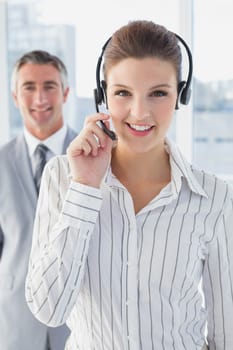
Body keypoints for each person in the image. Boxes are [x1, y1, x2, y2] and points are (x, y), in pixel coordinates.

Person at [25, 21, 233, 350]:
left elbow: (228, 334)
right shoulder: (62, 177)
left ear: (180, 95)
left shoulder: (215, 198)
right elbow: (49, 310)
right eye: (123, 92)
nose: (140, 112)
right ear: (102, 95)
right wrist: (85, 188)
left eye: (158, 93)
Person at [0, 50, 77, 350]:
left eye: (49, 86)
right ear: (15, 96)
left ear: (66, 93)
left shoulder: (97, 158)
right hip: (13, 325)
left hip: (78, 322)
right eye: (29, 87)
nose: (40, 98)